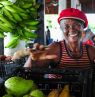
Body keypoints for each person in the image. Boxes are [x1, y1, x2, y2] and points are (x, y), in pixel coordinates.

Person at [24, 8, 95, 78]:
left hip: (85, 89)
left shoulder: (91, 51)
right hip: (57, 89)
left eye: (77, 25)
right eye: (66, 26)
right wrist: (32, 60)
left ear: (83, 28)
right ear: (61, 28)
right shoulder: (54, 48)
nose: (71, 29)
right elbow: (29, 75)